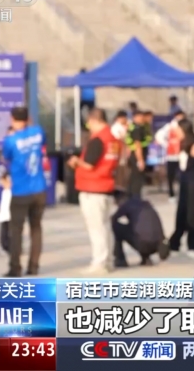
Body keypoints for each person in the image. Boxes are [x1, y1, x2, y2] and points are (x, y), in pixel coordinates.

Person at [68, 108, 121, 275]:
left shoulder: (98, 139)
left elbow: (89, 164)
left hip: (93, 187)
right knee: (105, 227)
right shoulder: (113, 139)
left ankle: (99, 263)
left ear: (93, 120)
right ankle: (108, 260)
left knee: (96, 229)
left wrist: (76, 161)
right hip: (106, 186)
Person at [2, 107, 47, 277]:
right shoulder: (38, 132)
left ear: (12, 119)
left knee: (16, 230)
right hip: (39, 188)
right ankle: (33, 266)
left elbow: (6, 157)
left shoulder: (10, 140)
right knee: (36, 228)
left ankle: (15, 267)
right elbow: (42, 143)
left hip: (20, 190)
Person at [111, 188, 171, 267]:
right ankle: (145, 258)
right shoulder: (144, 203)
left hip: (143, 244)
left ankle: (120, 260)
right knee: (139, 228)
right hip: (158, 244)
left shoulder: (126, 204)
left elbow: (112, 219)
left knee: (116, 227)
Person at [169, 119, 194, 258]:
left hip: (193, 182)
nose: (176, 132)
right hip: (184, 181)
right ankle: (174, 243)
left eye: (178, 129)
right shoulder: (182, 143)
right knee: (181, 212)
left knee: (191, 213)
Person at [155, 110, 185, 201]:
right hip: (171, 155)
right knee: (171, 176)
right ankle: (171, 194)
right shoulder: (169, 127)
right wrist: (166, 144)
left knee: (182, 176)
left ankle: (182, 194)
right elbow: (159, 136)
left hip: (182, 155)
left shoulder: (185, 125)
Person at [125, 111, 148, 198]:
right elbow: (137, 144)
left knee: (133, 176)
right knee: (137, 177)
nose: (142, 119)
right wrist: (140, 160)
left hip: (133, 154)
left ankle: (130, 195)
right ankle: (135, 196)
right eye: (140, 117)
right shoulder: (137, 129)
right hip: (137, 155)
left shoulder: (131, 127)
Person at [0, 172, 12, 253]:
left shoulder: (12, 192)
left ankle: (11, 248)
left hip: (10, 217)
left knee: (11, 234)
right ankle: (5, 247)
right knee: (3, 234)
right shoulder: (4, 192)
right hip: (4, 216)